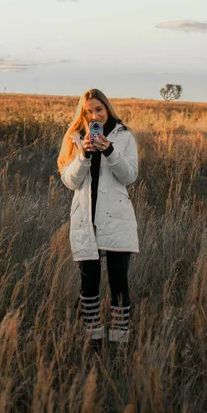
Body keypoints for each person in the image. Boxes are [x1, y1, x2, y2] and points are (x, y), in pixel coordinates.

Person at [57, 88, 139, 349]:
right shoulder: (75, 139)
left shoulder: (124, 136)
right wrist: (84, 156)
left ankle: (119, 344)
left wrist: (110, 151)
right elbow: (69, 181)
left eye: (99, 109)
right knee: (89, 284)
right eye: (89, 111)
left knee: (118, 283)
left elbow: (130, 176)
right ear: (83, 114)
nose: (95, 115)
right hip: (85, 220)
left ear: (107, 108)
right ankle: (93, 342)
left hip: (116, 219)